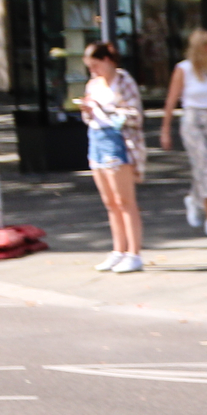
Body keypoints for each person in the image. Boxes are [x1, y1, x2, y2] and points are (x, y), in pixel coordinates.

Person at [160, 29, 207, 237]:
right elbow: (171, 100)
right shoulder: (183, 69)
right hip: (192, 119)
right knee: (205, 166)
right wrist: (165, 129)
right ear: (200, 47)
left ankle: (194, 198)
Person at [79, 42, 145, 274]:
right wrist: (88, 112)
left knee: (125, 200)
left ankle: (134, 253)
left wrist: (107, 111)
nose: (93, 71)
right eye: (89, 67)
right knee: (110, 202)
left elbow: (135, 116)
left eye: (95, 65)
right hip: (96, 138)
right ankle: (118, 250)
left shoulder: (123, 81)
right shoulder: (93, 84)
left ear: (108, 60)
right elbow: (90, 117)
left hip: (117, 140)